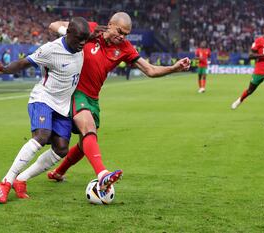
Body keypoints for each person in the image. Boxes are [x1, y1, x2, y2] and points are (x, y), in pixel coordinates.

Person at [15, 12, 190, 197]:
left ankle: (58, 172)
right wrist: (69, 32)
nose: (122, 37)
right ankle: (103, 174)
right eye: (120, 31)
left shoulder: (125, 47)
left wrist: (174, 68)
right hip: (75, 92)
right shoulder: (91, 29)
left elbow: (151, 70)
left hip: (93, 98)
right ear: (110, 24)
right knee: (88, 128)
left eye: (126, 34)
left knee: (85, 144)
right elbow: (53, 25)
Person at [0, 17, 90, 204]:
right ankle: (6, 181)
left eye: (86, 39)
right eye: (79, 39)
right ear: (69, 34)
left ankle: (22, 179)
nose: (83, 43)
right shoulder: (50, 50)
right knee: (42, 136)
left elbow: (72, 32)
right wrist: (3, 69)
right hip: (43, 98)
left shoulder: (77, 41)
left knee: (61, 149)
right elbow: (23, 63)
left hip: (63, 105)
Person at [231, 24, 264, 125]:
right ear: (263, 30)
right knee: (250, 90)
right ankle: (239, 100)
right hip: (259, 71)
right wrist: (263, 55)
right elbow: (250, 55)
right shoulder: (258, 41)